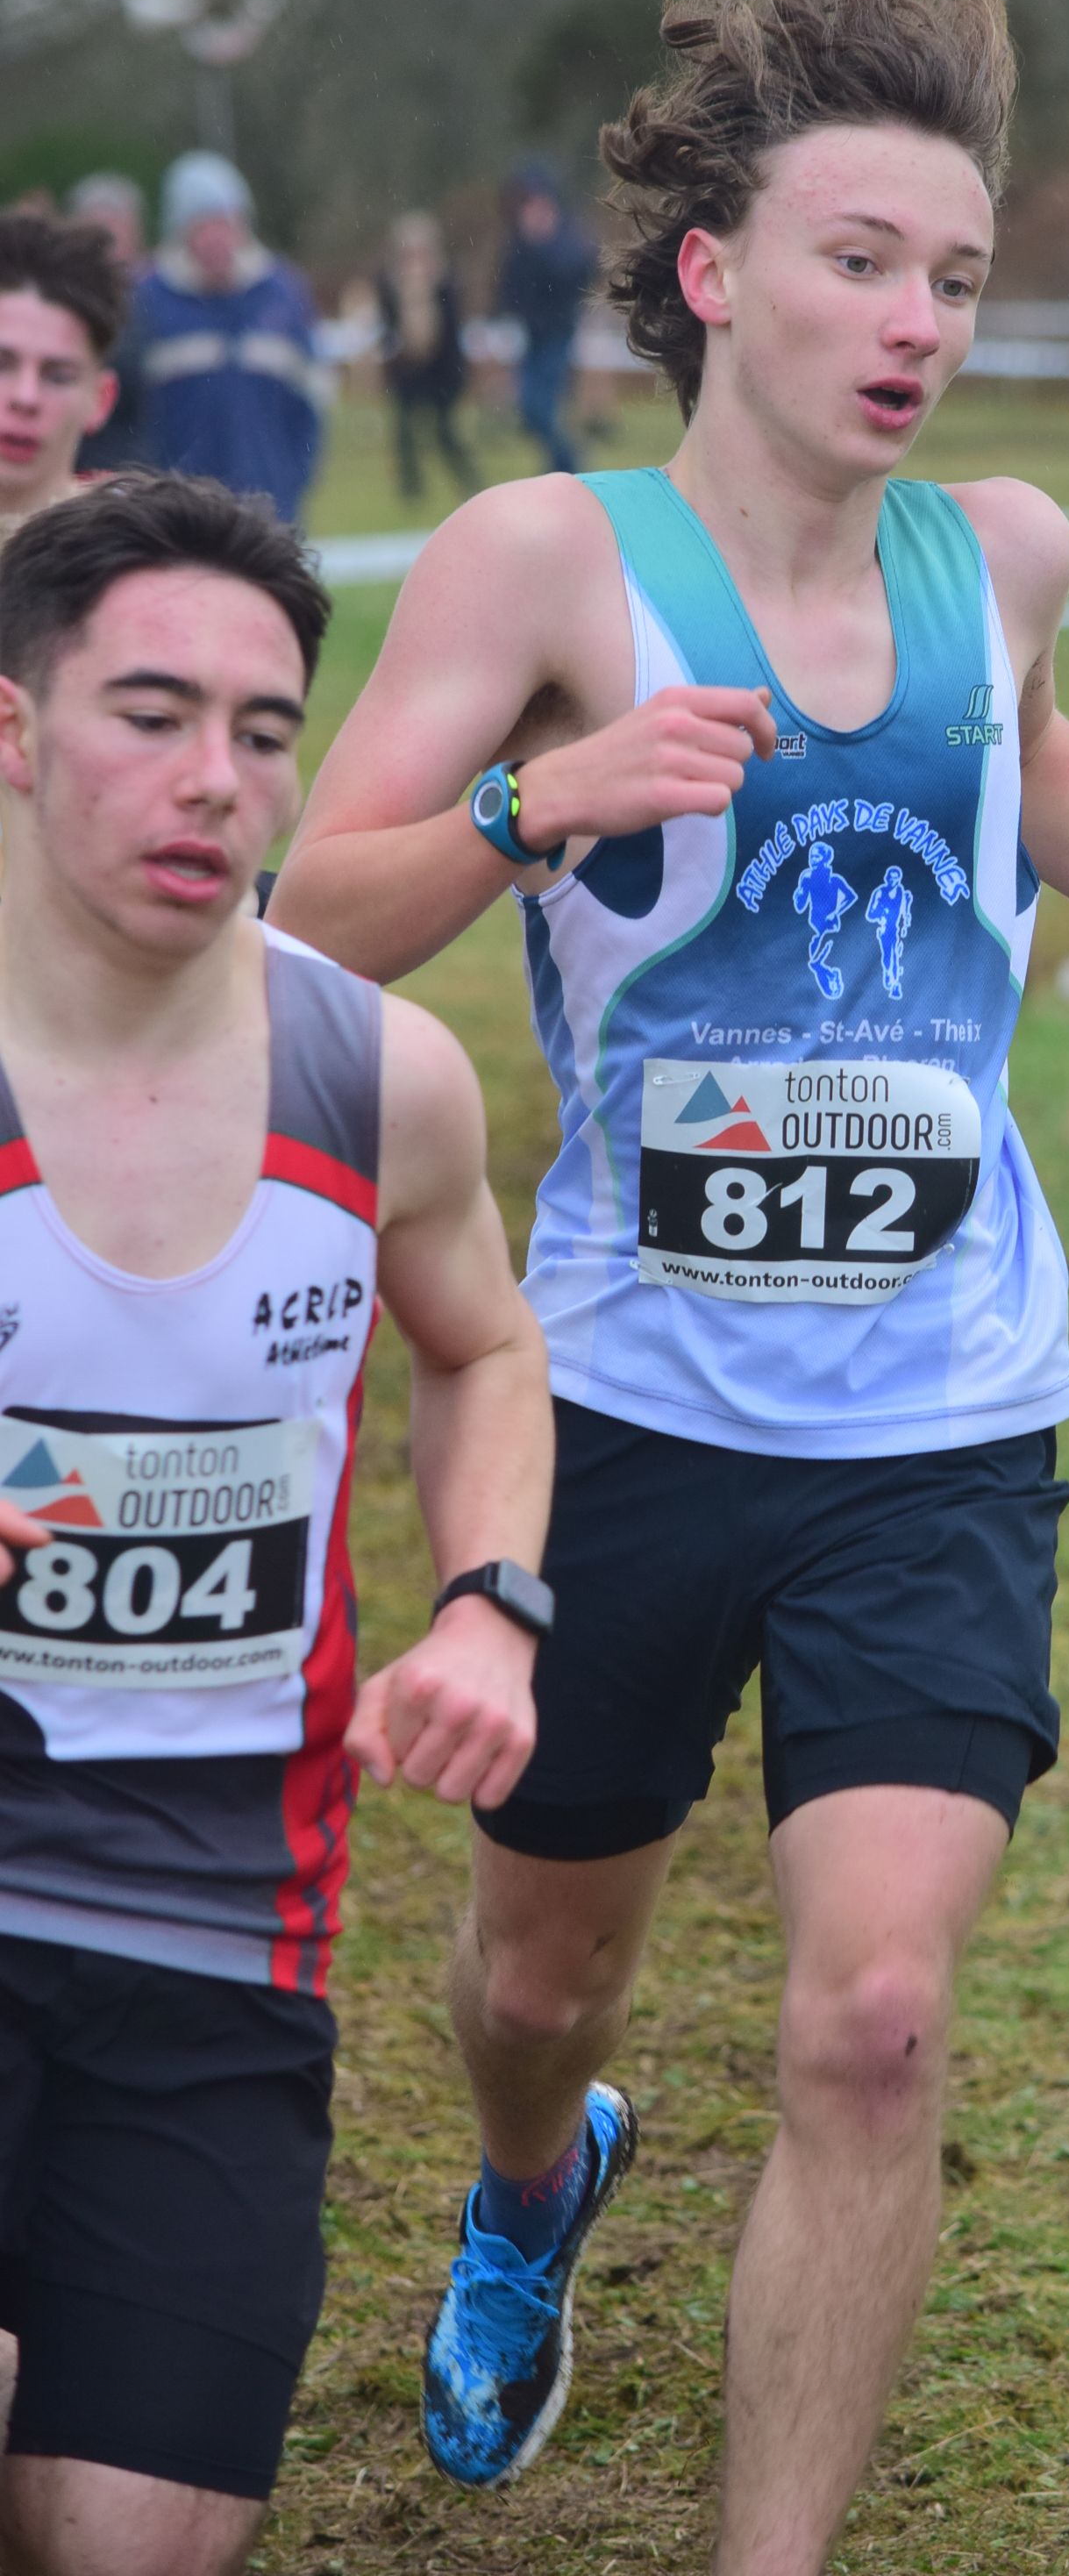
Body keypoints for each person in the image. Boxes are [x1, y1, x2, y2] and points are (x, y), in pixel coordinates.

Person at [268, 0, 1069, 2559]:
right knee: (539, 1981)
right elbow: (294, 927)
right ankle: (533, 2187)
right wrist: (540, 802)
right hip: (625, 1406)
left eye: (954, 275)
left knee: (872, 2019)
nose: (916, 323)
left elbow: (1016, 746)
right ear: (715, 268)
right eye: (862, 261)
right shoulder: (547, 559)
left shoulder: (1007, 550)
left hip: (942, 1411)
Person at [0, 472, 554, 2576]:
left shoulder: (382, 1075)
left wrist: (488, 1604)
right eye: (151, 715)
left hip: (221, 1925)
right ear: (15, 729)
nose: (213, 778)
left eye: (259, 731)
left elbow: (483, 1347)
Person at [134, 154, 323, 525]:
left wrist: (293, 483)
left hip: (272, 507)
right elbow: (134, 415)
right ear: (180, 232)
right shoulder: (148, 301)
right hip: (177, 514)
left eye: (226, 222)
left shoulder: (282, 294)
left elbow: (310, 401)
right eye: (204, 225)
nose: (217, 238)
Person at [0, 213, 127, 536]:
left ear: (102, 399)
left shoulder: (134, 551)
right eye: (2, 365)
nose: (25, 397)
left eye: (58, 377)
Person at [495, 163, 595, 477]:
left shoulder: (566, 239)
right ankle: (562, 463)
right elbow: (510, 287)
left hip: (558, 334)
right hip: (533, 336)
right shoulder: (518, 242)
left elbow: (578, 275)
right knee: (530, 408)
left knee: (540, 406)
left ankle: (566, 464)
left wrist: (543, 245)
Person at [377, 212, 476, 505]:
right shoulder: (390, 284)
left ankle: (468, 479)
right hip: (408, 371)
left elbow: (451, 329)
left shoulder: (446, 282)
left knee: (445, 431)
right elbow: (388, 327)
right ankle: (412, 489)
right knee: (405, 430)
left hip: (441, 370)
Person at [66, 175, 153, 476]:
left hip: (139, 472)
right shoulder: (57, 306)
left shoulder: (158, 302)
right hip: (72, 469)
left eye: (116, 234)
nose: (107, 249)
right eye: (97, 234)